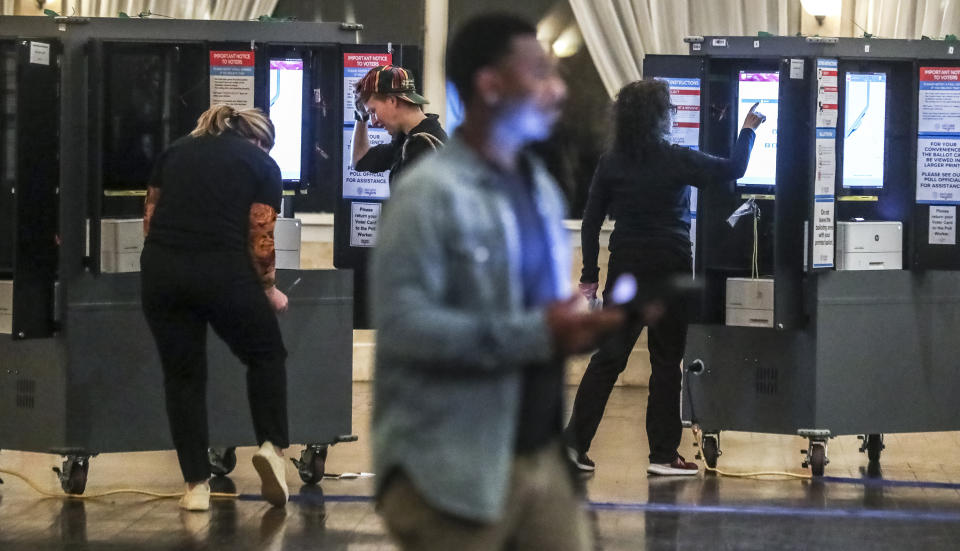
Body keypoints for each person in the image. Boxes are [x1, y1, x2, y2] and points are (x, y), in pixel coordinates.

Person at [369, 14, 624, 551]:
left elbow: (539, 313)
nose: (557, 89)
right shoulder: (428, 194)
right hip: (448, 475)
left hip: (537, 459)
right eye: (538, 73)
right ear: (490, 86)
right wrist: (536, 333)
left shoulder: (538, 191)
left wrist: (576, 323)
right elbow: (405, 327)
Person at [565, 80, 765, 475]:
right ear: (660, 116)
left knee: (608, 359)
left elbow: (590, 223)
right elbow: (734, 169)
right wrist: (748, 129)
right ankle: (662, 456)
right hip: (670, 270)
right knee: (666, 361)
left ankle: (573, 447)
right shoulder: (675, 158)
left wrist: (589, 276)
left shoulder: (611, 161)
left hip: (626, 270)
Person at [140, 105, 291, 511]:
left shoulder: (174, 152)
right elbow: (260, 237)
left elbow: (150, 220)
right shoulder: (261, 163)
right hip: (222, 270)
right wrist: (270, 289)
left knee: (183, 376)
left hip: (161, 271)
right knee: (266, 354)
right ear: (259, 140)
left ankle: (195, 487)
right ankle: (272, 449)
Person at [351, 64, 448, 184]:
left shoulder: (422, 145)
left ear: (392, 100)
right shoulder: (407, 140)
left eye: (373, 111)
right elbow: (360, 160)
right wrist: (361, 116)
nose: (374, 122)